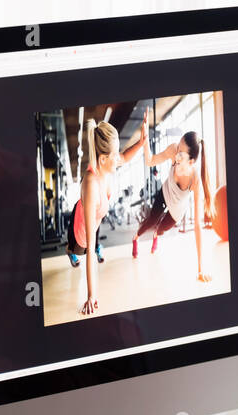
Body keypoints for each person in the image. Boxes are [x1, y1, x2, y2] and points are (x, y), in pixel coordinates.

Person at [69, 118, 143, 315]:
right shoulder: (91, 184)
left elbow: (125, 157)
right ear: (103, 159)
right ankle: (70, 251)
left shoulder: (107, 163)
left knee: (92, 241)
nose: (117, 159)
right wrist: (91, 295)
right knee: (80, 250)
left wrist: (141, 142)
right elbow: (90, 248)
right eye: (114, 156)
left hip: (95, 217)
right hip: (80, 231)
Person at [134, 107, 215, 283]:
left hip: (177, 210)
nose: (176, 152)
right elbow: (150, 161)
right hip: (165, 192)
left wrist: (201, 269)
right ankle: (137, 237)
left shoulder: (195, 180)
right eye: (177, 146)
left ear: (191, 161)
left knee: (161, 229)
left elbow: (199, 227)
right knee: (151, 219)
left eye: (180, 153)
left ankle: (156, 235)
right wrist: (145, 136)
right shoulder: (173, 151)